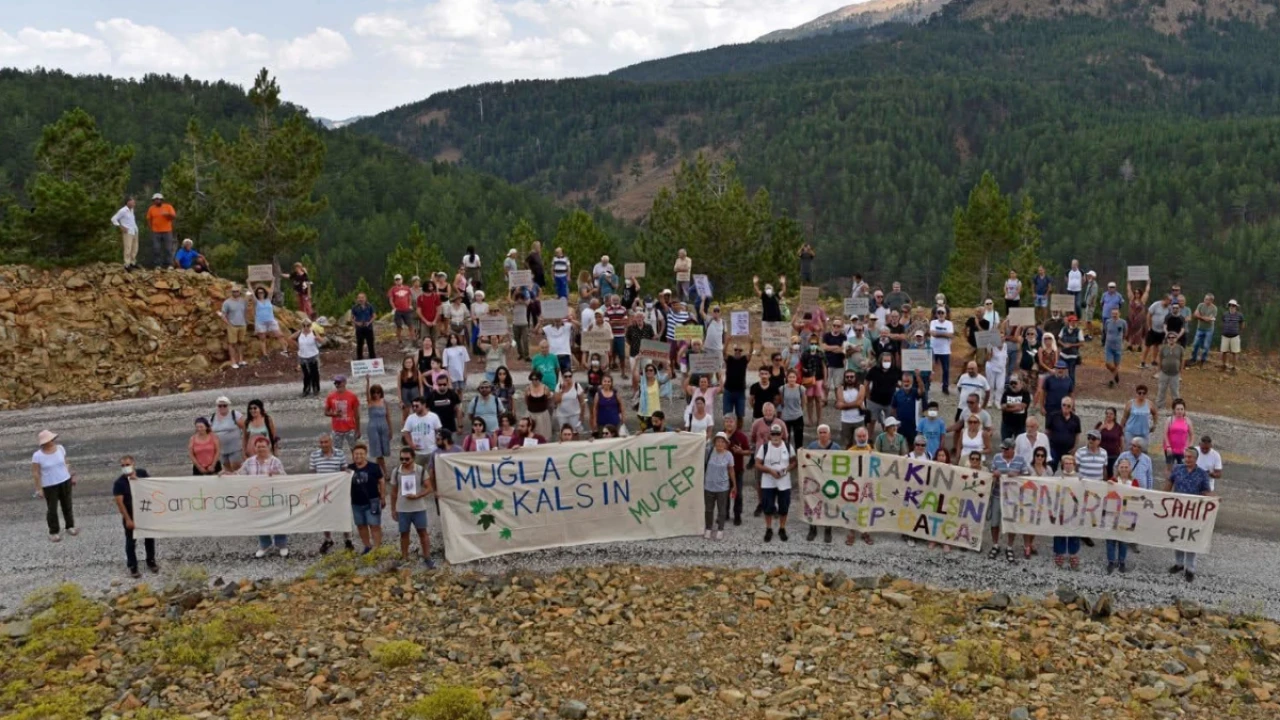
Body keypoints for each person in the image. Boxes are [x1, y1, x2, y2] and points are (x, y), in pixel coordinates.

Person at [1165, 447, 1214, 582]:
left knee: (1191, 539)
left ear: (1196, 458)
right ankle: (1179, 563)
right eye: (1185, 456)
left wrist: (1214, 500)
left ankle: (1190, 568)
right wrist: (1163, 497)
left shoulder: (1202, 474)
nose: (1187, 459)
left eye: (1190, 457)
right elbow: (1169, 484)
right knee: (1177, 536)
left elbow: (1206, 492)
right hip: (1178, 510)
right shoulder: (1177, 469)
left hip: (1193, 513)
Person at [235, 435, 289, 557]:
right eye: (258, 447)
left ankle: (281, 544)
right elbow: (239, 475)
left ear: (268, 447)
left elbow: (285, 477)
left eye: (263, 447)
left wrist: (276, 474)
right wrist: (226, 474)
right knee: (260, 520)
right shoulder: (249, 462)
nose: (261, 449)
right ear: (254, 448)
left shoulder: (275, 461)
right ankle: (265, 544)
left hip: (273, 496)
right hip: (257, 497)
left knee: (278, 519)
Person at [112, 455, 160, 578]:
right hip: (130, 515)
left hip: (145, 513)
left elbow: (152, 487)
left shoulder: (142, 473)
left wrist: (138, 480)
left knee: (149, 538)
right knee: (131, 542)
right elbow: (120, 503)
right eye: (122, 465)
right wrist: (128, 519)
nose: (125, 467)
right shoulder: (119, 483)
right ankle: (132, 566)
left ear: (133, 463)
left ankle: (151, 561)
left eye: (127, 465)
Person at [390, 447, 435, 567]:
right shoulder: (396, 471)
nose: (404, 461)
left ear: (413, 458)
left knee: (423, 533)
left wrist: (418, 495)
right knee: (404, 534)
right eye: (401, 459)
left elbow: (429, 488)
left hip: (419, 508)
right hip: (402, 509)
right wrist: (393, 509)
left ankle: (427, 557)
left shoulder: (420, 470)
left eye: (407, 459)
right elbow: (393, 492)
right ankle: (405, 558)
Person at [310, 433, 353, 554]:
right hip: (323, 491)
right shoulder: (314, 455)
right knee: (325, 516)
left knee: (343, 514)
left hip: (337, 490)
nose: (323, 445)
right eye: (321, 442)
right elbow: (312, 473)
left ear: (331, 442)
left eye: (326, 442)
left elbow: (343, 469)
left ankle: (347, 539)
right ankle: (328, 539)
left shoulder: (339, 453)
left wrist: (347, 472)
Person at [32, 430, 77, 542]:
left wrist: (71, 475)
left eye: (52, 439)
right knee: (52, 509)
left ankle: (70, 526)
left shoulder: (60, 449)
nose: (51, 441)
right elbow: (36, 473)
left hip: (65, 481)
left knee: (67, 505)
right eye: (49, 440)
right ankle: (53, 531)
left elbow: (66, 463)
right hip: (49, 485)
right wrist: (39, 489)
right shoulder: (37, 456)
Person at [989, 438, 1028, 562]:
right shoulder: (996, 457)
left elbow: (1027, 476)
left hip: (1013, 497)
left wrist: (1017, 475)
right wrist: (994, 473)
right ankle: (995, 544)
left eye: (1006, 449)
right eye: (1003, 448)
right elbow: (991, 472)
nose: (1003, 451)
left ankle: (1009, 546)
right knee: (994, 522)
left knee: (1011, 522)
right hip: (997, 494)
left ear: (1012, 449)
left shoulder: (1021, 459)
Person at [757, 424, 794, 543]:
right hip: (768, 481)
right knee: (767, 506)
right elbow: (757, 464)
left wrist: (786, 470)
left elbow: (794, 462)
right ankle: (769, 528)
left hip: (784, 482)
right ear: (770, 435)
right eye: (773, 433)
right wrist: (770, 471)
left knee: (784, 506)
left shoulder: (788, 446)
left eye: (778, 433)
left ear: (782, 434)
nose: (776, 436)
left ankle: (782, 528)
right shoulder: (764, 447)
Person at [347, 444, 385, 554]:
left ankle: (377, 547)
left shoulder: (374, 467)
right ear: (353, 455)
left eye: (361, 454)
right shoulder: (349, 469)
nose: (358, 456)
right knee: (361, 525)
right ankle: (367, 546)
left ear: (365, 454)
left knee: (374, 525)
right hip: (356, 503)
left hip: (372, 501)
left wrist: (382, 496)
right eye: (356, 454)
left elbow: (381, 481)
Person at [1105, 457, 1137, 573]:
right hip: (1112, 515)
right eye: (1122, 467)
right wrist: (1107, 485)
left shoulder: (1134, 482)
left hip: (1127, 515)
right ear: (1118, 468)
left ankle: (1122, 561)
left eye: (1126, 467)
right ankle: (1111, 561)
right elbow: (1106, 494)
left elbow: (1138, 497)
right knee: (1111, 540)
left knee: (1123, 540)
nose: (1124, 469)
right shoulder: (1113, 480)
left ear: (1130, 468)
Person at [1052, 454, 1083, 570]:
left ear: (1074, 464)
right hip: (1060, 508)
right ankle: (1059, 553)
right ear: (1062, 465)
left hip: (1074, 509)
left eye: (1070, 463)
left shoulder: (1079, 477)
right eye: (1066, 463)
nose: (1068, 465)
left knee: (1073, 531)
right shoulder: (1057, 475)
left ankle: (1073, 553)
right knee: (1059, 531)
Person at [704, 433, 737, 540]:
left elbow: (731, 470)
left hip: (723, 487)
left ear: (726, 444)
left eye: (722, 441)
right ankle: (708, 528)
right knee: (708, 509)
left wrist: (734, 485)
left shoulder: (729, 455)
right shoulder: (709, 451)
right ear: (714, 442)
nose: (720, 443)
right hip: (709, 486)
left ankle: (720, 529)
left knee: (722, 510)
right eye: (718, 441)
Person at [402, 397, 443, 467]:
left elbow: (439, 431)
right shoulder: (410, 418)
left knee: (433, 472)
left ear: (424, 405)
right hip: (417, 452)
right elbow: (406, 433)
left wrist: (438, 443)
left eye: (417, 406)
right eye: (413, 406)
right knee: (418, 473)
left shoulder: (433, 417)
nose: (414, 408)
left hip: (432, 451)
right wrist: (411, 444)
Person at [324, 375, 361, 452]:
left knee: (355, 450)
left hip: (350, 428)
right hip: (337, 429)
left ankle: (356, 464)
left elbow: (356, 415)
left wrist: (358, 430)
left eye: (338, 382)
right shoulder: (331, 397)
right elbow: (326, 412)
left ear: (344, 383)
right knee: (336, 452)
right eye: (335, 383)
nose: (337, 384)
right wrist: (334, 414)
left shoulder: (352, 396)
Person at [251, 284, 287, 359]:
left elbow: (271, 291)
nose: (260, 294)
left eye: (262, 292)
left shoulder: (268, 299)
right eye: (259, 293)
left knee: (279, 335)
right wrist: (248, 283)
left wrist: (273, 281)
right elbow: (251, 292)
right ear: (257, 294)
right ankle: (265, 355)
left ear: (264, 293)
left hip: (271, 320)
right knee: (262, 338)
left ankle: (285, 350)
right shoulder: (256, 301)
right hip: (260, 321)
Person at [210, 396, 246, 472]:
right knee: (227, 469)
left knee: (237, 467)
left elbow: (245, 428)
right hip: (222, 450)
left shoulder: (235, 414)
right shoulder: (213, 417)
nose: (222, 407)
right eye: (220, 406)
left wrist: (244, 443)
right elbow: (210, 432)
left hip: (236, 448)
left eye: (224, 405)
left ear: (228, 405)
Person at [1046, 397, 1081, 470]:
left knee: (1067, 471)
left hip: (1068, 450)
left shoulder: (1076, 419)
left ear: (1072, 406)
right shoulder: (1053, 416)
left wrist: (1075, 448)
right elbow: (1047, 432)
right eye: (1064, 405)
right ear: (1061, 405)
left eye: (1068, 405)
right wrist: (1047, 446)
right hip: (1054, 449)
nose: (1066, 407)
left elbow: (1077, 434)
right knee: (1050, 469)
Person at [219, 285, 249, 369]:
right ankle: (233, 361)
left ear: (239, 292)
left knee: (241, 343)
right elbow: (223, 315)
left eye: (237, 291)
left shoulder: (243, 301)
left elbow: (246, 309)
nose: (235, 293)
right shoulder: (227, 302)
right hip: (233, 326)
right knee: (232, 344)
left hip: (242, 325)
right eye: (234, 291)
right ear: (232, 292)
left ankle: (241, 360)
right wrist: (228, 324)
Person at [365, 384, 392, 475]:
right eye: (374, 392)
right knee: (378, 452)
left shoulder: (384, 402)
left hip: (383, 426)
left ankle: (376, 471)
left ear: (381, 393)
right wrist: (367, 382)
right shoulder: (370, 402)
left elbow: (388, 416)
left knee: (382, 451)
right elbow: (367, 394)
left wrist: (390, 430)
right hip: (373, 427)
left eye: (378, 392)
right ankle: (385, 473)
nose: (376, 394)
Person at [145, 192, 177, 267]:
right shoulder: (151, 208)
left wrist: (168, 215)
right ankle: (157, 264)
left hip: (167, 231)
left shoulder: (168, 207)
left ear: (162, 200)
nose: (157, 201)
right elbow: (149, 219)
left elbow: (173, 217)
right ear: (153, 201)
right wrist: (151, 228)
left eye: (158, 199)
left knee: (168, 249)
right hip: (156, 232)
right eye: (155, 200)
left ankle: (169, 264)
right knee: (156, 249)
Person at [1162, 398, 1193, 473]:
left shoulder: (1187, 421)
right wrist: (1168, 446)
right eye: (1178, 409)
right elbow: (1165, 433)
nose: (1180, 411)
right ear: (1174, 410)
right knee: (1170, 469)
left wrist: (1189, 447)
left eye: (1182, 409)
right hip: (1170, 449)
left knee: (1182, 470)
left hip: (1182, 450)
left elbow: (1192, 435)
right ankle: (1168, 483)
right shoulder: (1170, 420)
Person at [1141, 294, 1172, 369]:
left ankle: (1154, 360)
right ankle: (1143, 361)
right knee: (1148, 345)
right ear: (1165, 299)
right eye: (1169, 300)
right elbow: (1149, 315)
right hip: (1152, 329)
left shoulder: (1169, 308)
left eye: (1171, 301)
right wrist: (1149, 326)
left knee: (1156, 345)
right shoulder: (1156, 305)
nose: (1170, 302)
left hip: (1161, 330)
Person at [553, 370, 588, 435]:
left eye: (570, 376)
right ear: (562, 377)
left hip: (575, 415)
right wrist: (562, 391)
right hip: (562, 415)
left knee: (575, 433)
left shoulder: (576, 385)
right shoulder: (559, 386)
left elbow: (582, 402)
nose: (568, 378)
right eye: (565, 376)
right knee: (564, 433)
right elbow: (556, 401)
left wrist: (582, 416)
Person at [1155, 333, 1185, 409]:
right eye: (1169, 337)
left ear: (1176, 338)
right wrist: (1159, 369)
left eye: (1173, 337)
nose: (1171, 339)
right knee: (1161, 390)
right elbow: (1160, 358)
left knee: (1175, 391)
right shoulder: (1163, 348)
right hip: (1164, 373)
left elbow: (1182, 359)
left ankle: (1177, 407)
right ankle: (1159, 406)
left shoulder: (1180, 348)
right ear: (1167, 339)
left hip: (1175, 374)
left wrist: (1181, 370)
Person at [929, 306, 954, 395]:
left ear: (945, 314)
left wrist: (938, 334)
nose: (940, 314)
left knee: (946, 370)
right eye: (939, 313)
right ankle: (927, 385)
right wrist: (945, 334)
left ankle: (945, 387)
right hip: (933, 349)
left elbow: (951, 335)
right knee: (929, 368)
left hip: (945, 350)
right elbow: (932, 333)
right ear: (936, 314)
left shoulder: (949, 323)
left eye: (942, 313)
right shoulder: (933, 322)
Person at [293, 321, 321, 397]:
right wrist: (298, 346)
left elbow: (321, 341)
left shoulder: (313, 332)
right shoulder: (299, 333)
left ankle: (316, 388)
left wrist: (318, 338)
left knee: (314, 373)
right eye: (304, 325)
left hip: (313, 355)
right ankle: (306, 389)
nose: (306, 327)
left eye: (308, 325)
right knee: (306, 374)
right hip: (303, 356)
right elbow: (290, 338)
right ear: (302, 326)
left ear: (310, 325)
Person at [110, 196, 140, 270]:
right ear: (128, 202)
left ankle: (133, 262)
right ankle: (127, 264)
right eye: (132, 202)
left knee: (135, 247)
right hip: (128, 232)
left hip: (134, 230)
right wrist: (121, 227)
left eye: (134, 202)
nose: (134, 203)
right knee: (128, 247)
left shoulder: (132, 210)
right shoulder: (123, 210)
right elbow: (113, 219)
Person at [999, 375, 1030, 442]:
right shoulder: (1007, 392)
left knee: (1020, 445)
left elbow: (1022, 407)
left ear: (1021, 383)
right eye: (1011, 383)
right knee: (1005, 445)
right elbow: (1002, 406)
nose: (1013, 385)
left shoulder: (1025, 393)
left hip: (1020, 425)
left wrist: (1008, 406)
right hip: (1006, 424)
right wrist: (1015, 406)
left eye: (1015, 383)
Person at [387, 274, 416, 345]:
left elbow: (410, 297)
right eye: (396, 280)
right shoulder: (392, 289)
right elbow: (391, 300)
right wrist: (394, 308)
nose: (398, 281)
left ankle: (413, 339)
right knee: (399, 326)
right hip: (398, 310)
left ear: (402, 280)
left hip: (407, 309)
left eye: (399, 279)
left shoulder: (407, 288)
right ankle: (400, 340)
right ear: (394, 281)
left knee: (410, 325)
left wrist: (410, 305)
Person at [1095, 407, 1124, 477]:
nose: (1108, 415)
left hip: (1114, 456)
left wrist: (1121, 454)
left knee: (1112, 476)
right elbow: (1093, 437)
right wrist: (1100, 429)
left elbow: (1122, 442)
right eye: (1107, 413)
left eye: (1111, 414)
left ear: (1115, 416)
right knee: (1101, 475)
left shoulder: (1118, 427)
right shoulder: (1100, 424)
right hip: (1101, 455)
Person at [1102, 306, 1127, 387]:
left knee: (1117, 364)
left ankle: (1112, 381)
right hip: (1108, 346)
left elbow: (1125, 332)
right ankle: (1115, 373)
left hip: (1118, 347)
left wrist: (1121, 340)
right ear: (1111, 314)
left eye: (1116, 313)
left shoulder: (1123, 322)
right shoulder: (1107, 322)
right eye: (1113, 313)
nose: (1114, 315)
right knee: (1108, 364)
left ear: (1119, 314)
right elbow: (1106, 331)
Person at [351, 292, 377, 360]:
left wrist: (369, 322)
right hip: (359, 328)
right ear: (357, 299)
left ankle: (372, 358)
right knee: (359, 344)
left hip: (368, 327)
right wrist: (357, 323)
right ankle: (359, 358)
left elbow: (374, 316)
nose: (360, 299)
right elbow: (352, 318)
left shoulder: (370, 306)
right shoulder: (354, 307)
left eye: (362, 297)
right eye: (359, 298)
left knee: (370, 344)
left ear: (365, 298)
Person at [1220, 299, 1244, 372]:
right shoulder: (1225, 314)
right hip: (1225, 335)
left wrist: (1239, 331)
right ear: (1228, 306)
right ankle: (1224, 365)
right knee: (1224, 351)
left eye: (1233, 305)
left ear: (1236, 306)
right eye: (1230, 305)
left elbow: (1242, 324)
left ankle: (1234, 367)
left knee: (1235, 352)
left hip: (1235, 336)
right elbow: (1223, 322)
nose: (1232, 306)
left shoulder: (1240, 315)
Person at [1058, 314, 1083, 384]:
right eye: (1072, 321)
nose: (1074, 322)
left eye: (1075, 321)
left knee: (1071, 372)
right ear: (1069, 322)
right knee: (1059, 369)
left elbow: (1082, 343)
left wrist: (1071, 345)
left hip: (1073, 355)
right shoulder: (1064, 329)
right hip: (1063, 355)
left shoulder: (1078, 331)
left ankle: (1071, 387)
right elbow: (1059, 340)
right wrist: (1063, 345)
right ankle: (1059, 384)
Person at [1125, 281, 1149, 352]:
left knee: (1140, 332)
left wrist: (1148, 283)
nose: (1136, 294)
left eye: (1138, 293)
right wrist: (1128, 283)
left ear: (1140, 294)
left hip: (1140, 320)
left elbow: (1147, 291)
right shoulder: (1131, 300)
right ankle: (1130, 345)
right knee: (1131, 332)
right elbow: (1128, 290)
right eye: (1135, 292)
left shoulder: (1142, 301)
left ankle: (1140, 346)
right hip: (1131, 320)